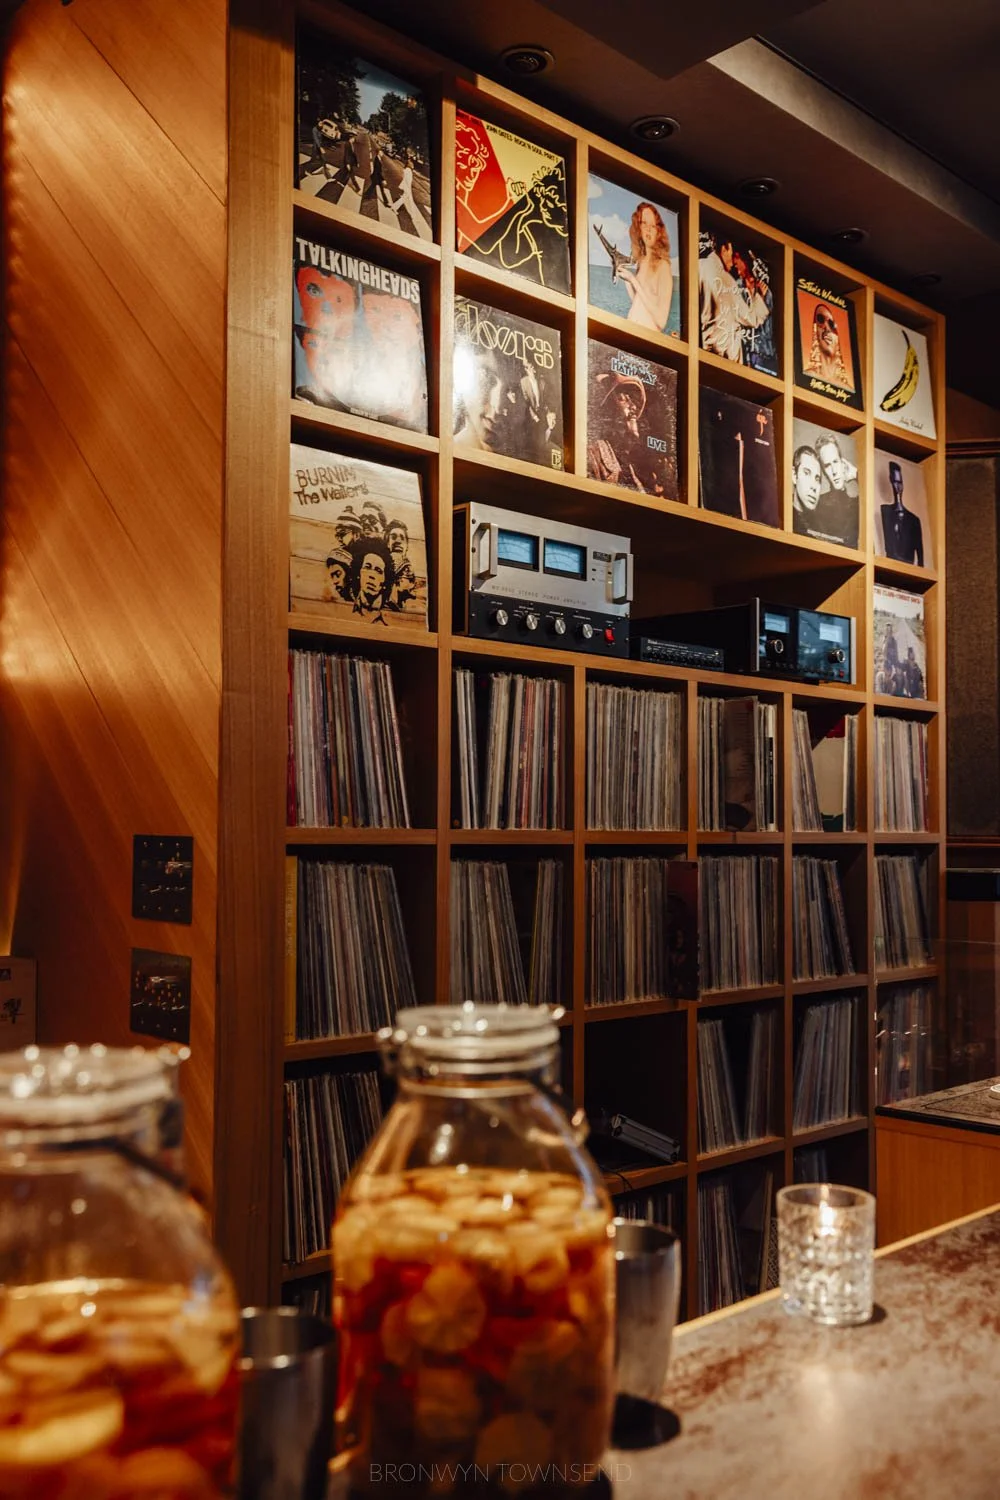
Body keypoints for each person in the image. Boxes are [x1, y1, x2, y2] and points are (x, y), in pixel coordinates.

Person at [698, 232, 770, 365]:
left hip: (703, 347)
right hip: (726, 354)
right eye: (732, 254)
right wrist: (759, 296)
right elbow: (751, 319)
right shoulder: (727, 280)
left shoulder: (699, 266)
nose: (732, 262)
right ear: (724, 248)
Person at [587, 371, 649, 491]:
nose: (634, 407)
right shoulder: (593, 453)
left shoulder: (634, 468)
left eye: (634, 401)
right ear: (608, 410)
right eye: (623, 399)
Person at [617, 202, 673, 332]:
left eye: (653, 225)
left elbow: (661, 321)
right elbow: (640, 304)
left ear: (659, 231)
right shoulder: (642, 262)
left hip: (647, 338)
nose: (648, 229)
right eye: (644, 223)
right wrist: (627, 280)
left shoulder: (663, 266)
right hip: (632, 332)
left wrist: (634, 281)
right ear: (638, 228)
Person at [813, 431, 860, 547]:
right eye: (828, 466)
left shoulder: (857, 503)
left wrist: (857, 475)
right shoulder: (816, 504)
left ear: (842, 462)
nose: (834, 471)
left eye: (835, 462)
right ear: (823, 471)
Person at [880, 460, 924, 566]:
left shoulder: (914, 519)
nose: (898, 487)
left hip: (909, 566)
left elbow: (920, 551)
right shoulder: (885, 511)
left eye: (900, 483)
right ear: (891, 481)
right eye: (895, 482)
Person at [345, 535, 395, 624]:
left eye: (378, 570)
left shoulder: (392, 614)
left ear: (384, 580)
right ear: (358, 573)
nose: (372, 575)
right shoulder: (345, 606)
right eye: (367, 567)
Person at [804, 302, 853, 391]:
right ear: (815, 332)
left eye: (831, 324)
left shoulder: (847, 390)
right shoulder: (806, 378)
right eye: (820, 320)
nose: (827, 328)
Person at [792, 444, 823, 521]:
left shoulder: (824, 527)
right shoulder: (780, 516)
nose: (813, 486)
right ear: (794, 475)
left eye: (817, 479)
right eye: (806, 473)